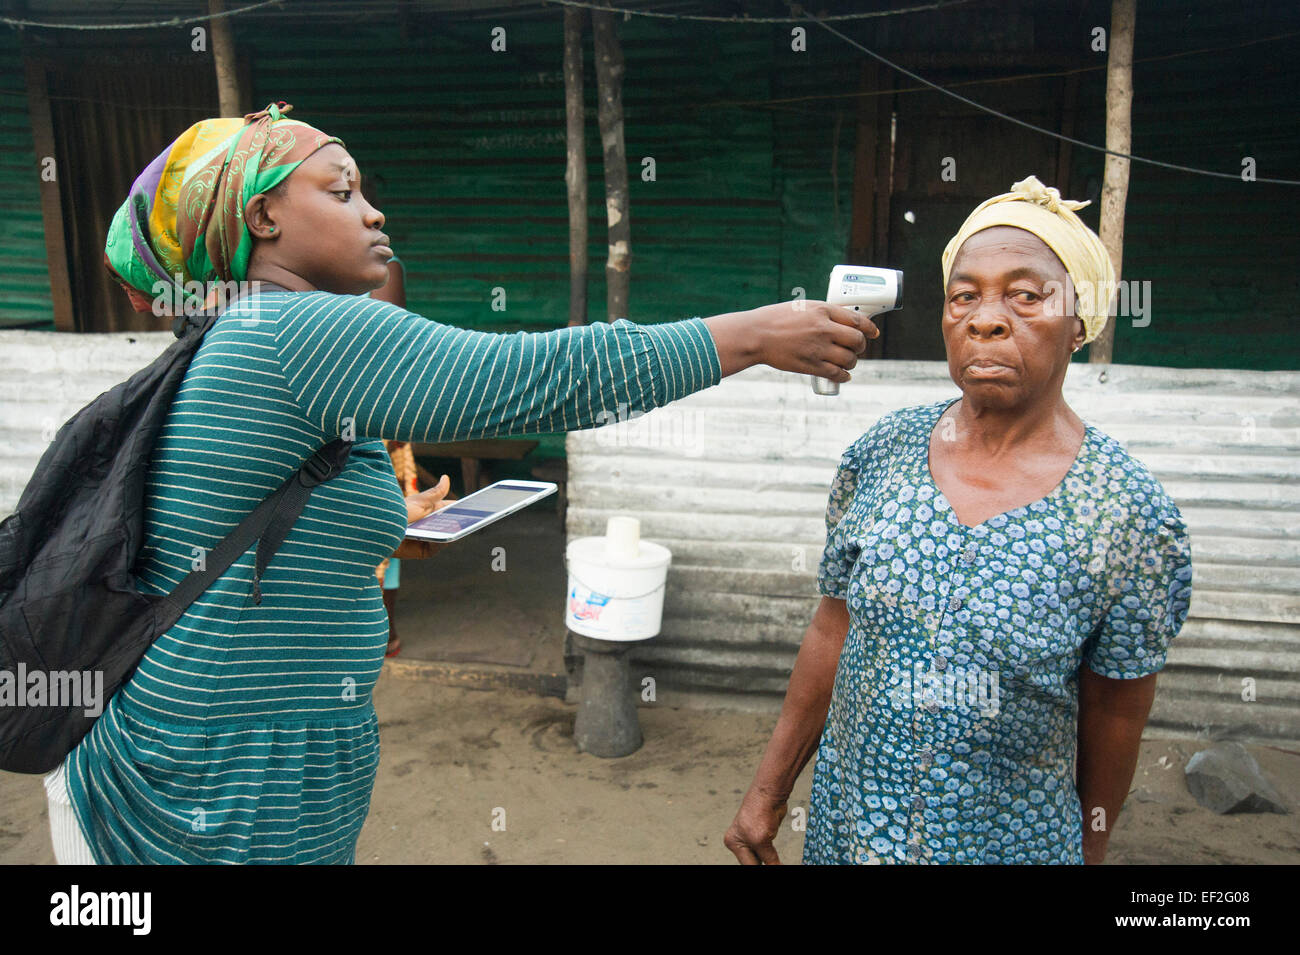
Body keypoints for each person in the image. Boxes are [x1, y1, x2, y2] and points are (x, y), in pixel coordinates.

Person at [46, 102, 876, 864]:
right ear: (263, 217)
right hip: (200, 793)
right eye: (340, 192)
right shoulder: (287, 329)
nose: (373, 212)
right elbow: (545, 375)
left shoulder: (245, 338)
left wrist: (381, 514)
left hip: (253, 775)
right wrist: (755, 334)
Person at [725, 176, 1194, 866]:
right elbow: (833, 629)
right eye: (964, 295)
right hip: (847, 834)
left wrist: (1089, 852)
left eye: (1026, 296)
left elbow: (1117, 712)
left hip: (1011, 846)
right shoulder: (881, 455)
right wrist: (768, 792)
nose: (986, 318)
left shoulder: (1127, 513)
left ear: (1079, 322)